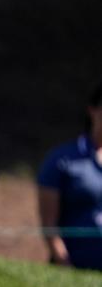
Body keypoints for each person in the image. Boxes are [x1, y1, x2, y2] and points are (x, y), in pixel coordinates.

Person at [37, 81, 102, 271]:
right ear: (92, 111)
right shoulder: (62, 159)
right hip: (77, 265)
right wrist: (64, 264)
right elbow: (49, 222)